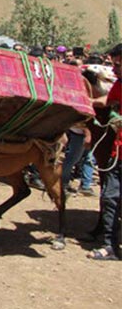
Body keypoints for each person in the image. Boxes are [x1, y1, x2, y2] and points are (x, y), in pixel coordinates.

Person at [88, 43, 121, 260]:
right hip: (118, 152)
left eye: (118, 63)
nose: (114, 67)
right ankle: (109, 244)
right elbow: (108, 101)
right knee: (110, 196)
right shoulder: (119, 84)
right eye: (113, 63)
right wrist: (88, 102)